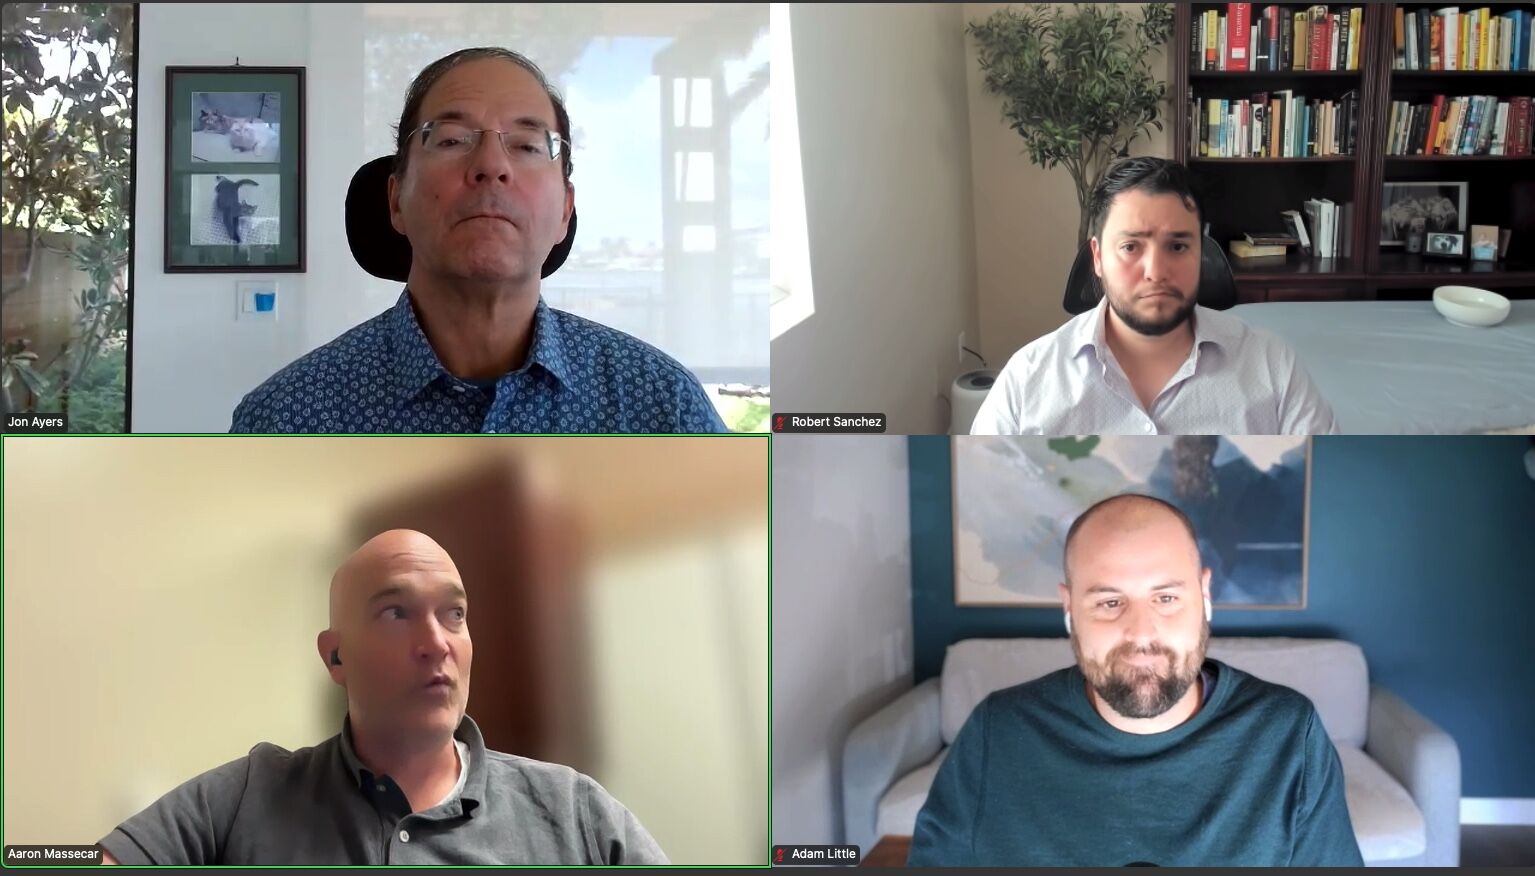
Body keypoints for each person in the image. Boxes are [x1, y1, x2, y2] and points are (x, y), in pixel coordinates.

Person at [97, 530, 667, 865]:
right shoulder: (249, 795)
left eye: (454, 614)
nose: (436, 643)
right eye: (396, 613)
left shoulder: (573, 811)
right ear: (336, 657)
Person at [230, 48, 726, 434]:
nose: (491, 165)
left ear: (565, 211)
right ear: (396, 201)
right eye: (451, 139)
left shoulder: (663, 407)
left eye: (528, 145)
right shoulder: (285, 420)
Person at [908, 494, 1363, 867]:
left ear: (1204, 595)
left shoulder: (1287, 734)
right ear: (1069, 608)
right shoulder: (998, 733)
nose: (1142, 634)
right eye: (1110, 603)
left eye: (1165, 598)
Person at [970, 157, 1338, 435]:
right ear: (1097, 258)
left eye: (1177, 246)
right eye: (1131, 247)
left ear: (1201, 253)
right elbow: (983, 501)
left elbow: (1326, 490)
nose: (1156, 271)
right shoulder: (1028, 380)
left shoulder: (1273, 367)